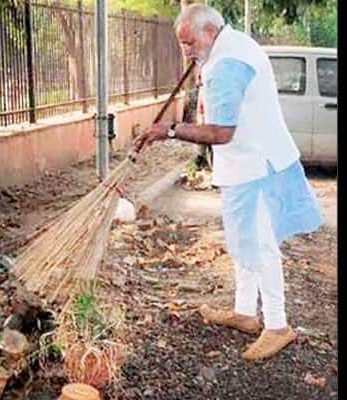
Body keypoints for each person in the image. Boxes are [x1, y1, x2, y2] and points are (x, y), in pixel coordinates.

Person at [133, 4, 323, 361]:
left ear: (208, 32)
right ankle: (245, 313)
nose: (185, 51)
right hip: (248, 164)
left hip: (256, 168)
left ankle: (278, 325)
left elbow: (221, 132)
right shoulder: (229, 46)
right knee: (243, 241)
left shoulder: (226, 65)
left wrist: (169, 130)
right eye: (182, 44)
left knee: (262, 244)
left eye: (188, 42)